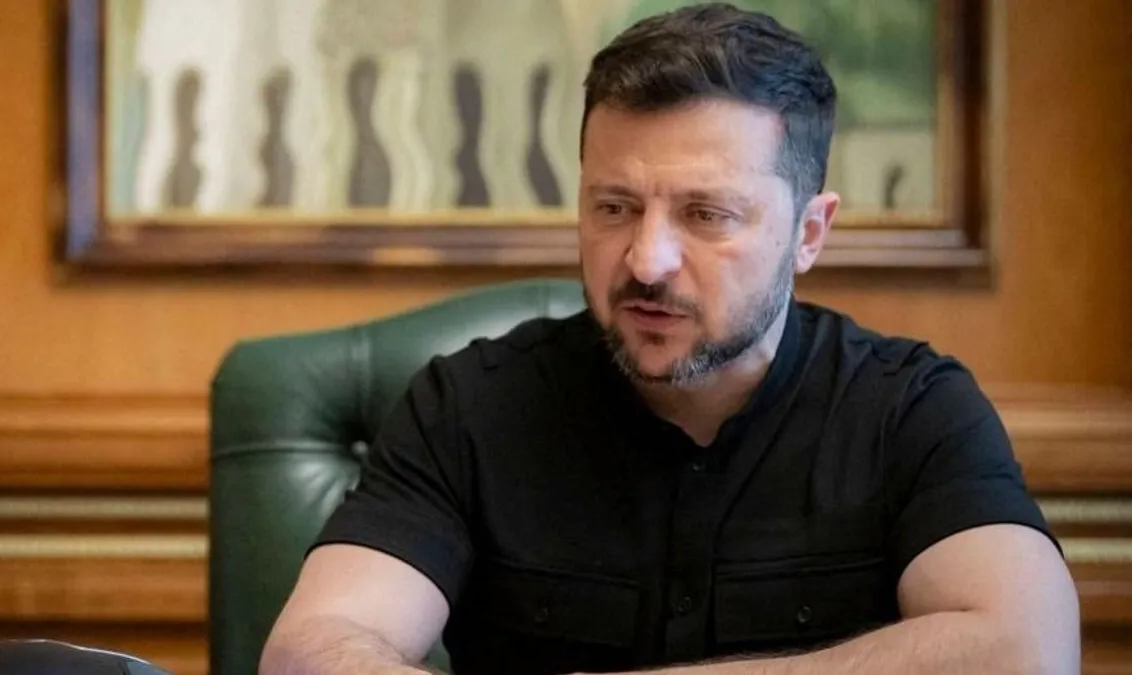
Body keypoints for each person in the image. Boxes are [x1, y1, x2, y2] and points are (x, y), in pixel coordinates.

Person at [259, 4, 1080, 674]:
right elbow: (309, 650)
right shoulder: (467, 407)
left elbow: (1027, 650)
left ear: (809, 232)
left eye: (705, 214)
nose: (646, 260)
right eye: (614, 207)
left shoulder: (911, 408)